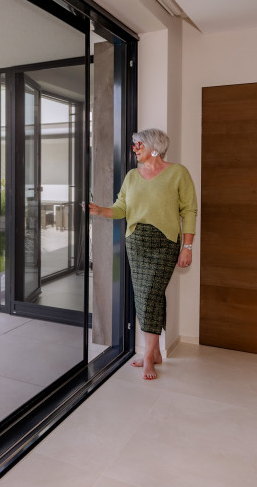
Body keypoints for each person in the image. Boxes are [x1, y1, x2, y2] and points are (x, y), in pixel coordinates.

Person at [89, 128, 197, 380]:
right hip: (136, 243)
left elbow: (189, 211)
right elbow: (120, 209)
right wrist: (99, 211)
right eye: (134, 145)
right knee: (148, 295)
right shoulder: (131, 176)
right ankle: (154, 352)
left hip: (166, 243)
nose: (135, 149)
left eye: (139, 145)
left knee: (150, 293)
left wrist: (187, 247)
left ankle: (149, 355)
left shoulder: (178, 173)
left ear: (155, 148)